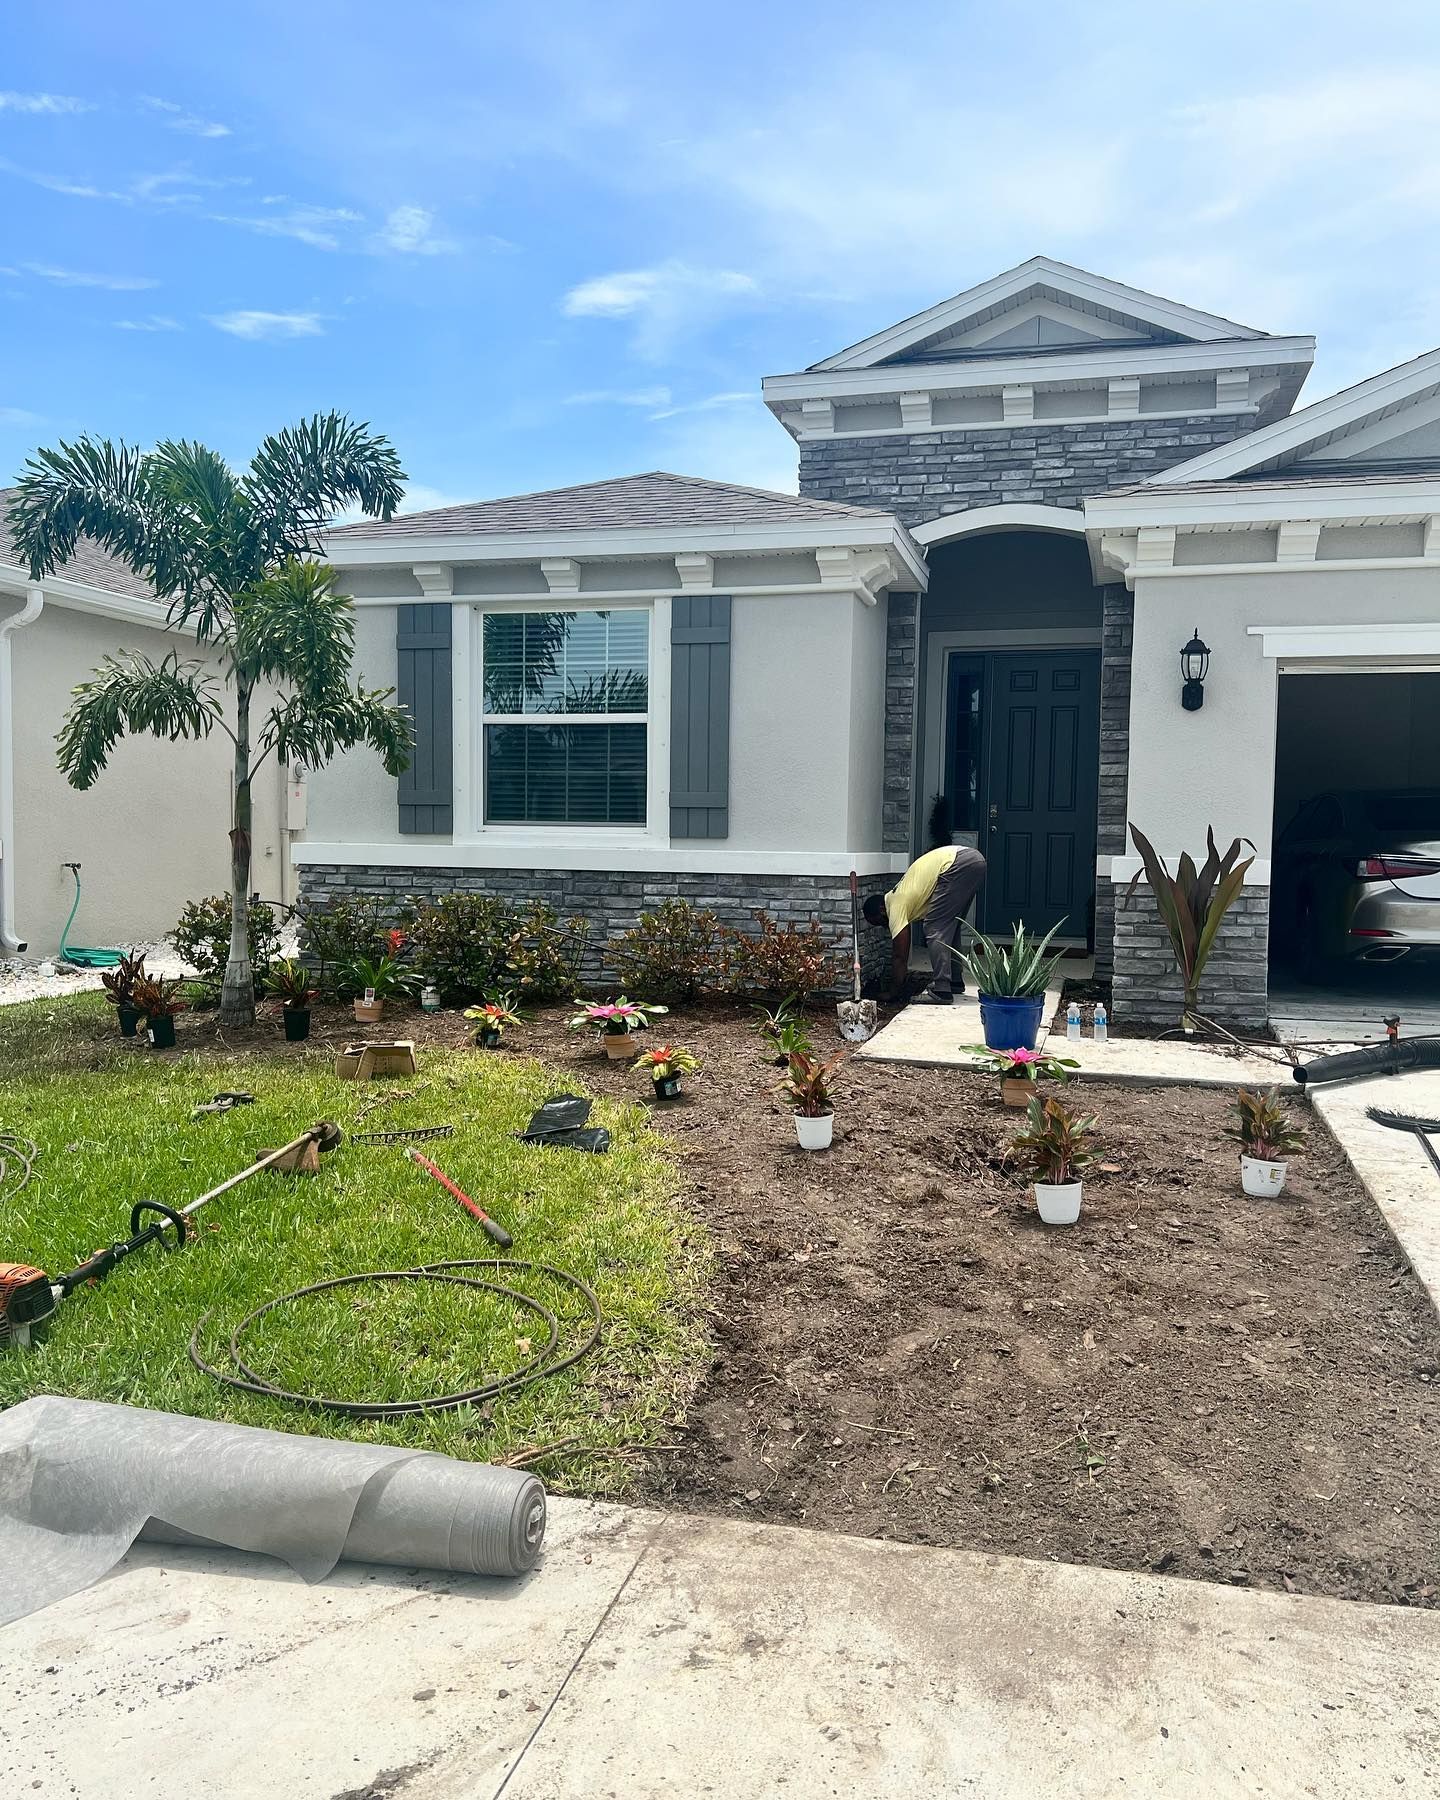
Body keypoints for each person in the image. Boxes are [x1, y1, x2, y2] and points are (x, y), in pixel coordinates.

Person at [863, 844, 987, 1005]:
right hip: (972, 859)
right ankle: (954, 981)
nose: (884, 927)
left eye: (879, 922)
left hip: (957, 863)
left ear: (881, 910)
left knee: (934, 927)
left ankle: (942, 990)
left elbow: (900, 955)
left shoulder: (894, 904)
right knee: (951, 925)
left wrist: (893, 992)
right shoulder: (901, 895)